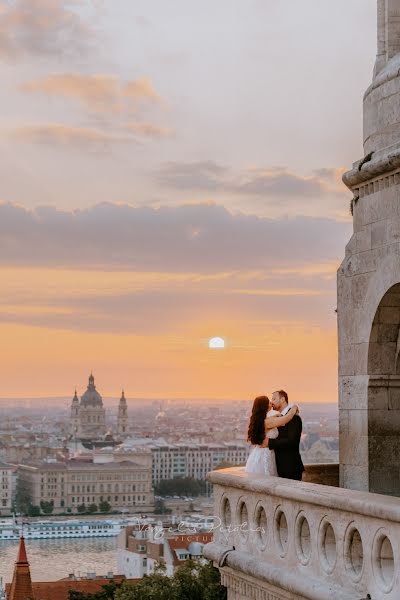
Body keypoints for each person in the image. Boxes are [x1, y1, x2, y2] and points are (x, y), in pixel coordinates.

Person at [245, 395, 299, 476]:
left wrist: (276, 415)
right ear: (265, 406)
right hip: (265, 455)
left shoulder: (260, 420)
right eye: (269, 402)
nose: (271, 402)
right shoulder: (268, 422)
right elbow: (287, 418)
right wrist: (294, 407)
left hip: (260, 453)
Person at [263, 390, 304, 481]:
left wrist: (270, 442)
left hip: (290, 467)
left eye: (274, 399)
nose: (271, 402)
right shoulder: (277, 417)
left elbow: (292, 441)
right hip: (277, 465)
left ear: (282, 399)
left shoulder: (295, 418)